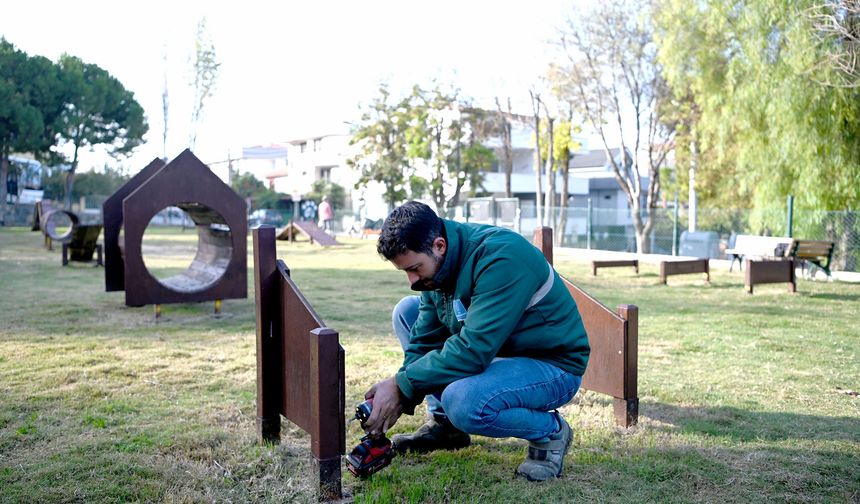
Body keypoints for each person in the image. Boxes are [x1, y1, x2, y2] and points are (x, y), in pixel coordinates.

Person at [363, 201, 590, 481]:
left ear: (439, 245)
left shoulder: (501, 257)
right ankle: (446, 426)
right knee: (407, 312)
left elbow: (473, 351)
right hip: (497, 352)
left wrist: (401, 383)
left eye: (415, 268)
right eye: (406, 272)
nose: (412, 279)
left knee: (464, 401)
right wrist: (403, 391)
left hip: (552, 365)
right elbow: (424, 339)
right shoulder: (438, 268)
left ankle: (551, 432)